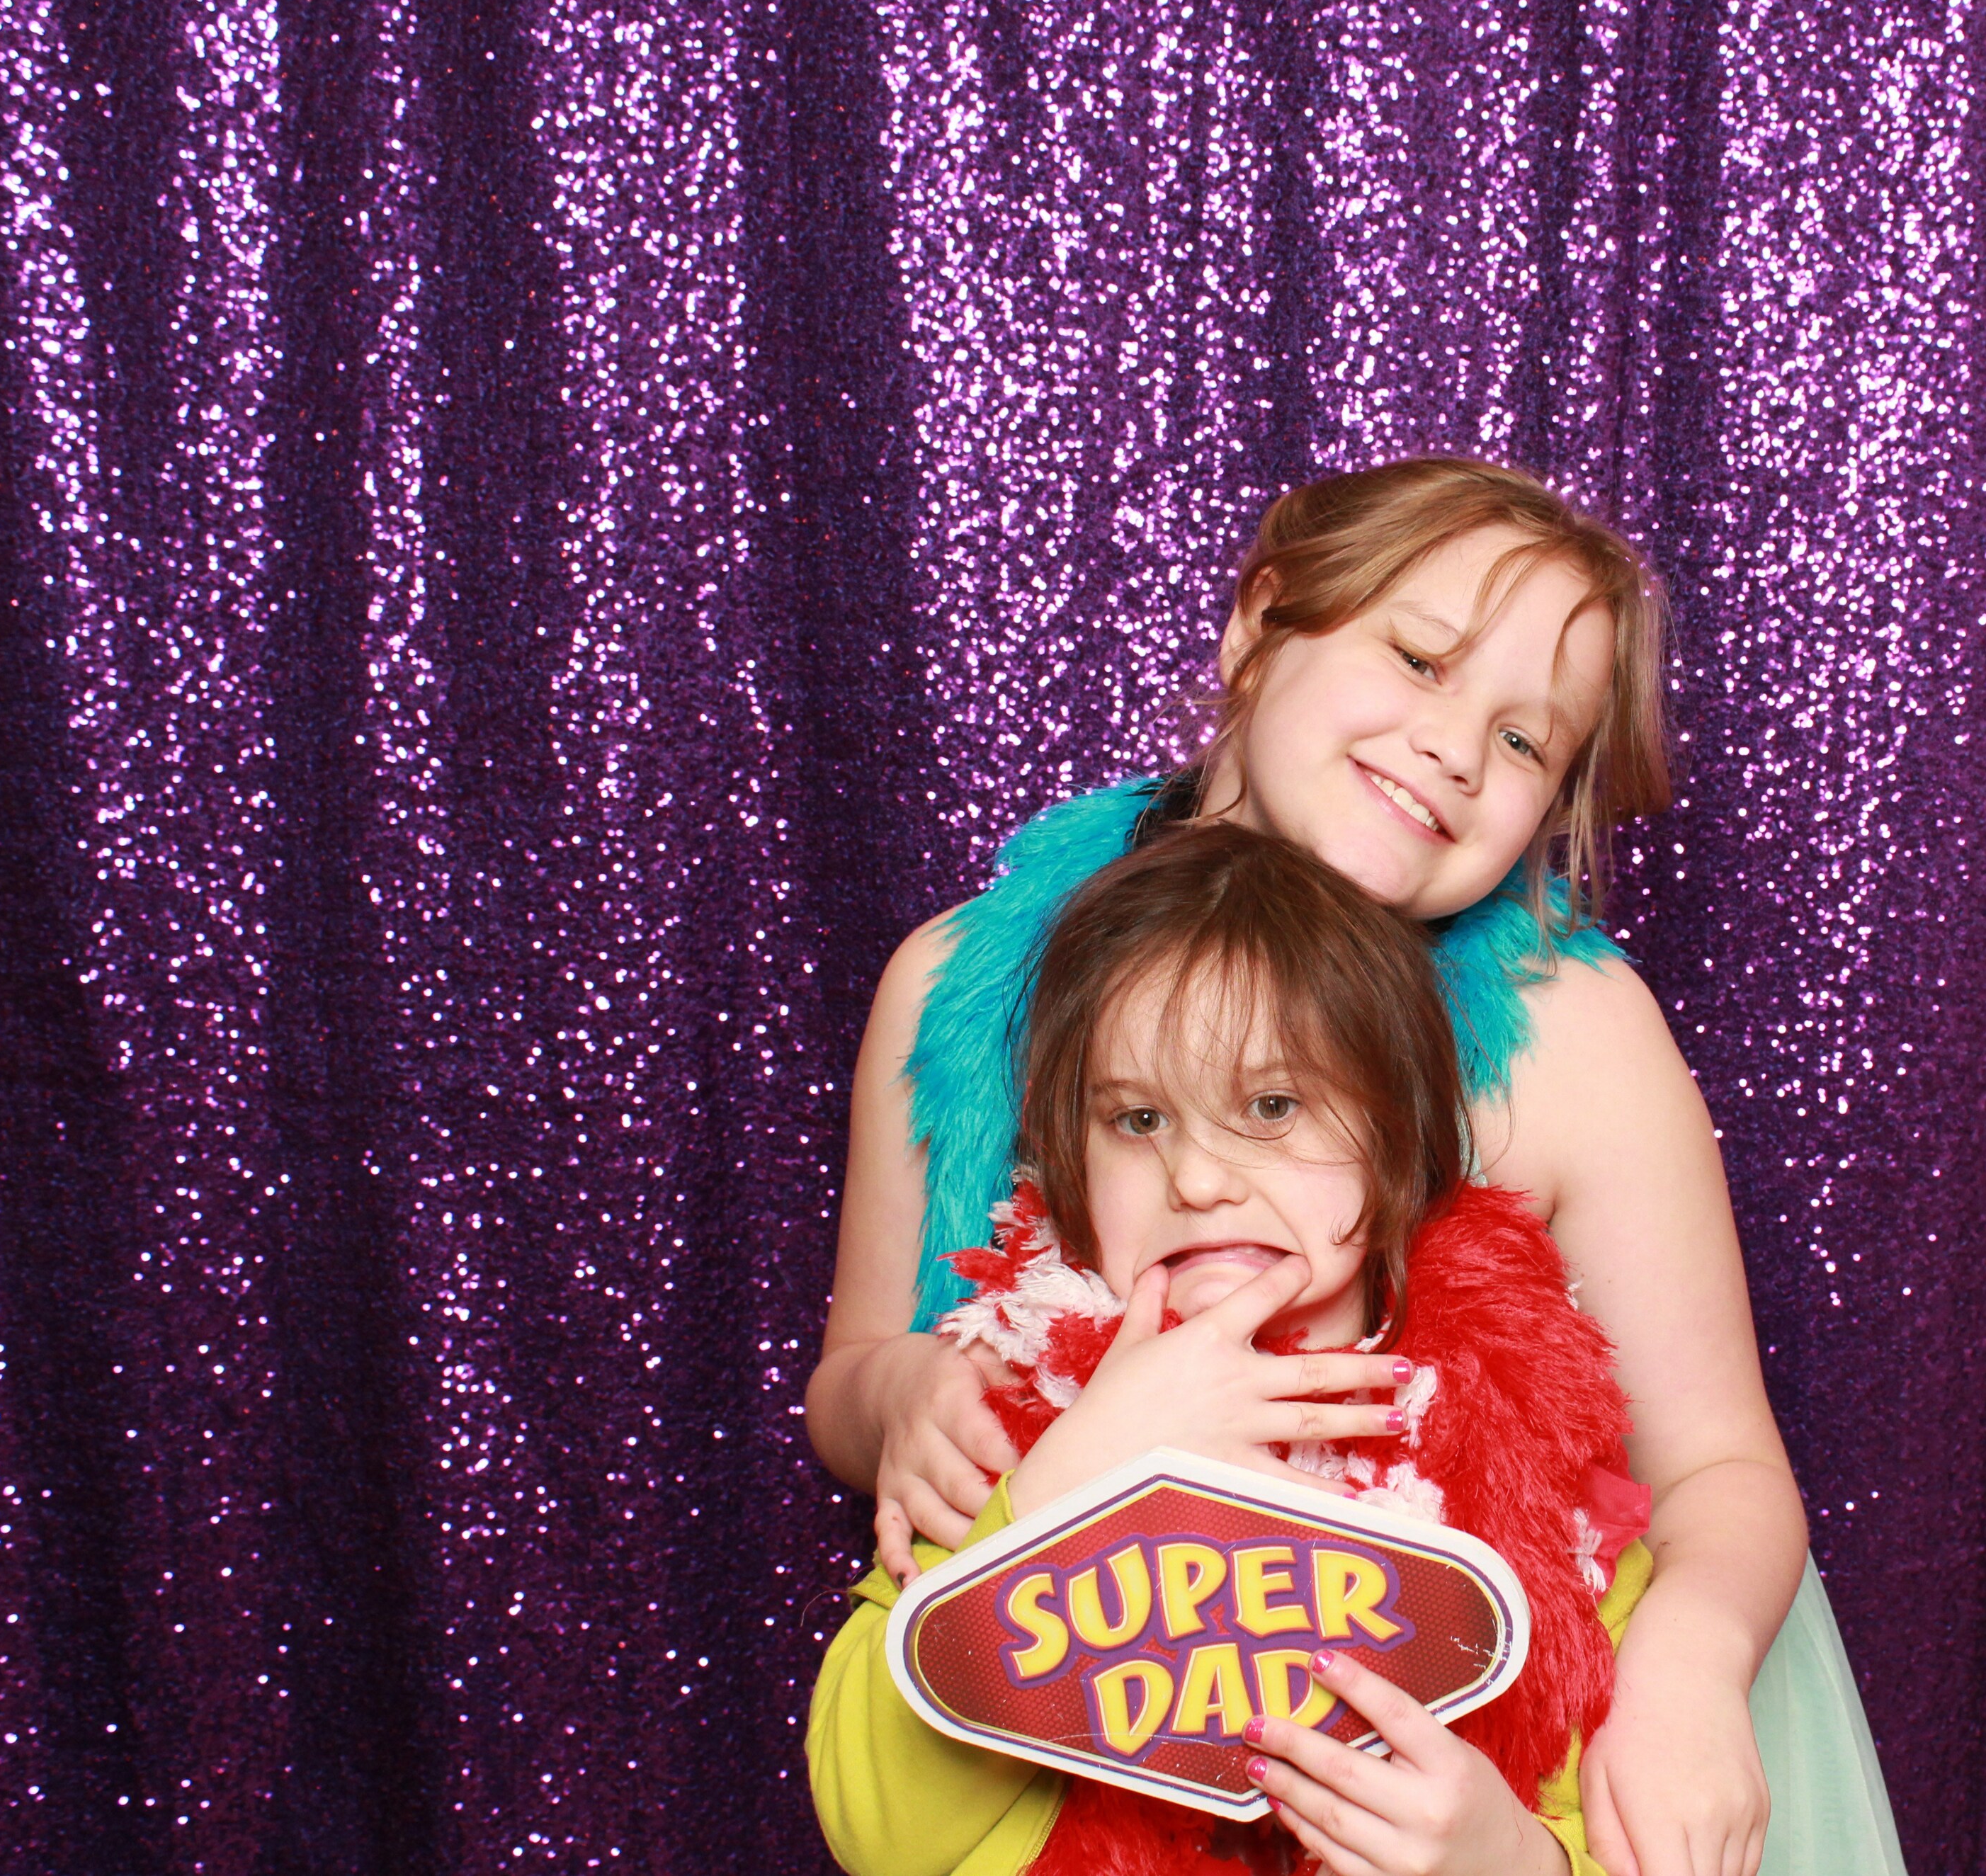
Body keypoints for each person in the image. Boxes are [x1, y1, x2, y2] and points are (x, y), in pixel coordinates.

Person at [808, 458, 1902, 1876]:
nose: (1454, 749)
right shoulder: (961, 981)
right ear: (1256, 628)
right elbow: (853, 1378)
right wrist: (907, 1396)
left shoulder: (1573, 1033)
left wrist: (1686, 1675)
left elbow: (1717, 1463)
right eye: (1420, 658)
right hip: (1059, 1697)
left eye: (1525, 741)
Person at [810, 824, 1657, 1875]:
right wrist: (1074, 1483)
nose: (1199, 1179)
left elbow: (1621, 1820)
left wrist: (1511, 1862)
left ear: (1402, 1140)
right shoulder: (1003, 1425)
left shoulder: (1527, 1466)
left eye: (1272, 1106)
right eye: (1138, 1120)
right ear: (1067, 1168)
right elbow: (875, 1834)